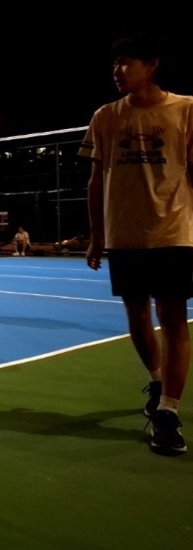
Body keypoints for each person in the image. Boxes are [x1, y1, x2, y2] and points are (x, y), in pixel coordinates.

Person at [81, 33, 193, 457]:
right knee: (137, 313)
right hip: (124, 235)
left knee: (173, 317)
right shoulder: (106, 116)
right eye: (115, 63)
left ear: (152, 64)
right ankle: (158, 380)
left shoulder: (186, 109)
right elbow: (95, 182)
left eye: (127, 62)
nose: (118, 70)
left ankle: (168, 411)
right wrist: (97, 237)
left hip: (173, 230)